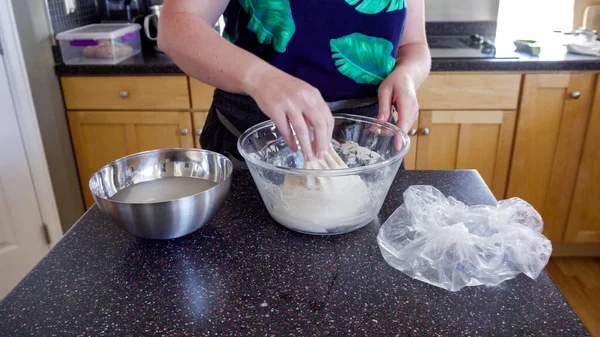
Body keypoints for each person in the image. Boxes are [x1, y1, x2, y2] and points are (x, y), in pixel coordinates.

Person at [158, 0, 430, 167]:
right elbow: (176, 25)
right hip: (255, 136)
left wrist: (406, 75)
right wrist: (262, 78)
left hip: (368, 146)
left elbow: (414, 44)